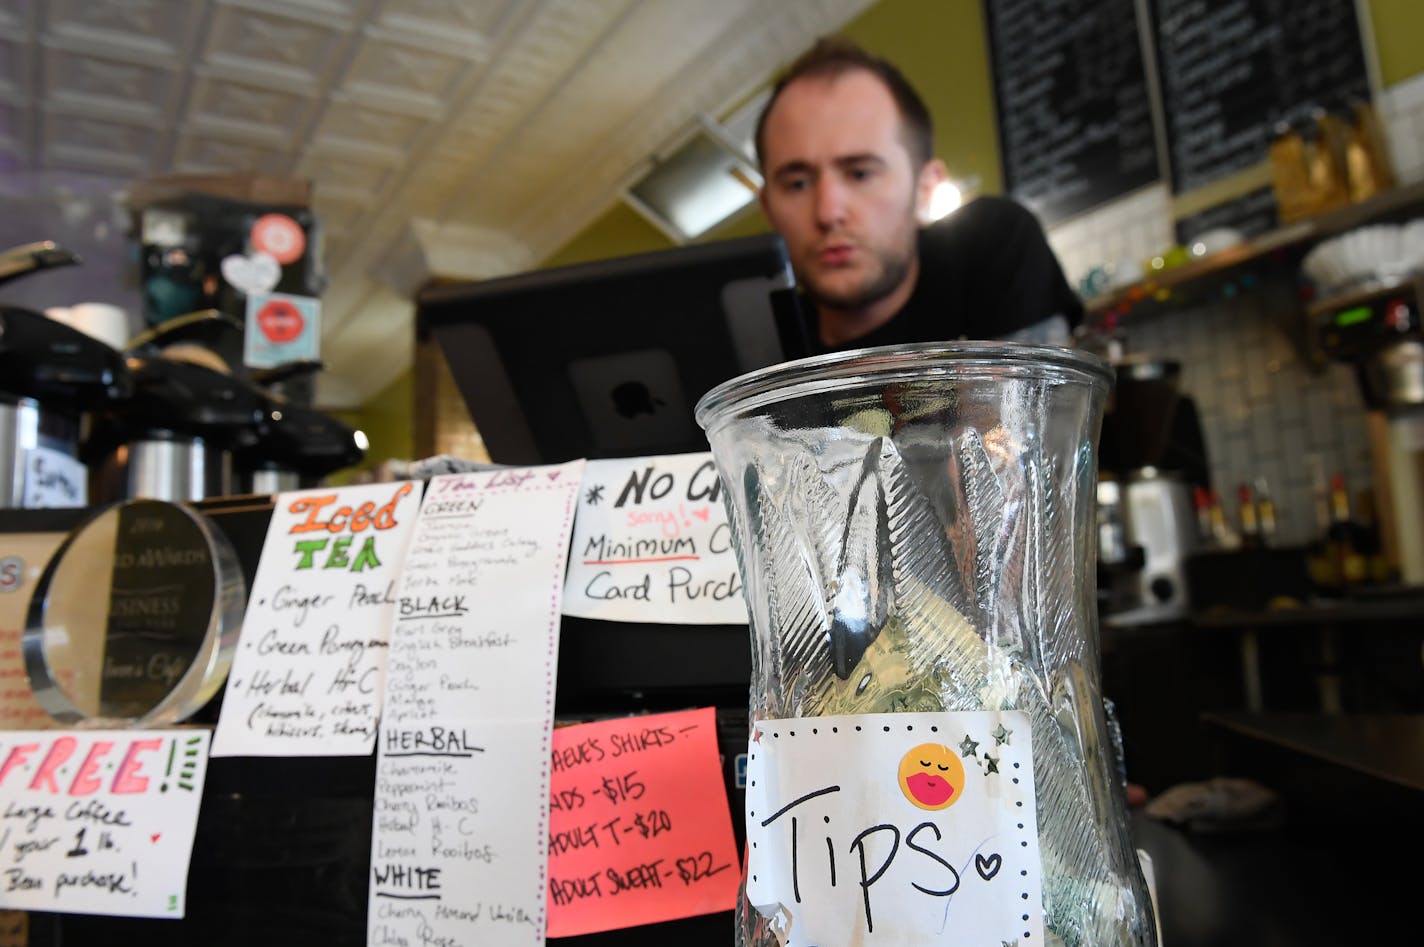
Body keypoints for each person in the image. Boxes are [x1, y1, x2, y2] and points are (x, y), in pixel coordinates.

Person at [754, 36, 1083, 355]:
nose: (828, 212)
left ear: (925, 188)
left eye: (860, 173)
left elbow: (1040, 405)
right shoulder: (760, 346)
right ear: (768, 208)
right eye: (797, 184)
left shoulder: (990, 244)